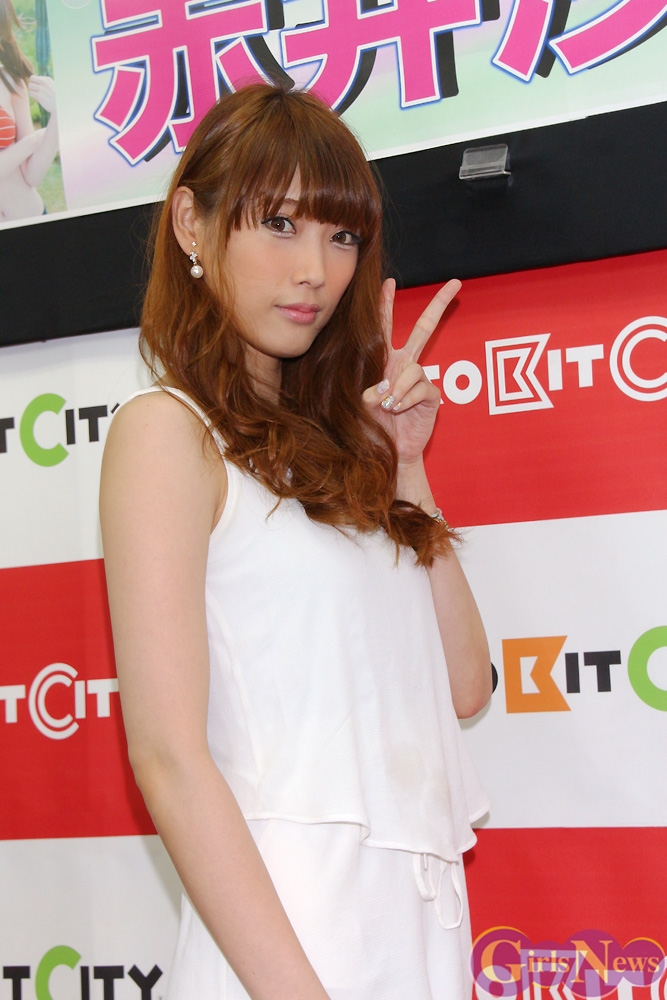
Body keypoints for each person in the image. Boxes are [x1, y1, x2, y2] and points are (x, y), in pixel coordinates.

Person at [100, 83, 492, 1000]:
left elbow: (464, 683)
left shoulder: (345, 459)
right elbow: (167, 757)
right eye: (279, 224)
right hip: (286, 938)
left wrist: (403, 466)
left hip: (414, 930)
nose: (315, 269)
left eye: (341, 236)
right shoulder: (168, 433)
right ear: (191, 225)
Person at [0, 0, 59, 221]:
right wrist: (32, 142)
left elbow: (32, 176)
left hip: (31, 219)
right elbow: (30, 144)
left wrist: (57, 117)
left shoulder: (10, 81)